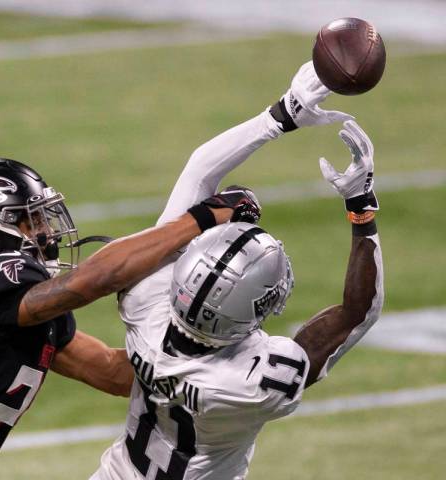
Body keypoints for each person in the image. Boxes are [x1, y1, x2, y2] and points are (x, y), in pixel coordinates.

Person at [0, 149, 262, 480]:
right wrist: (200, 218)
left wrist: (216, 355)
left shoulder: (15, 310)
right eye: (29, 220)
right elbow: (90, 282)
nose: (45, 231)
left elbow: (116, 374)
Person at [91, 62, 383, 480]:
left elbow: (198, 171)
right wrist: (361, 208)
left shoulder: (145, 299)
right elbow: (358, 313)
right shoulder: (254, 384)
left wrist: (281, 114)